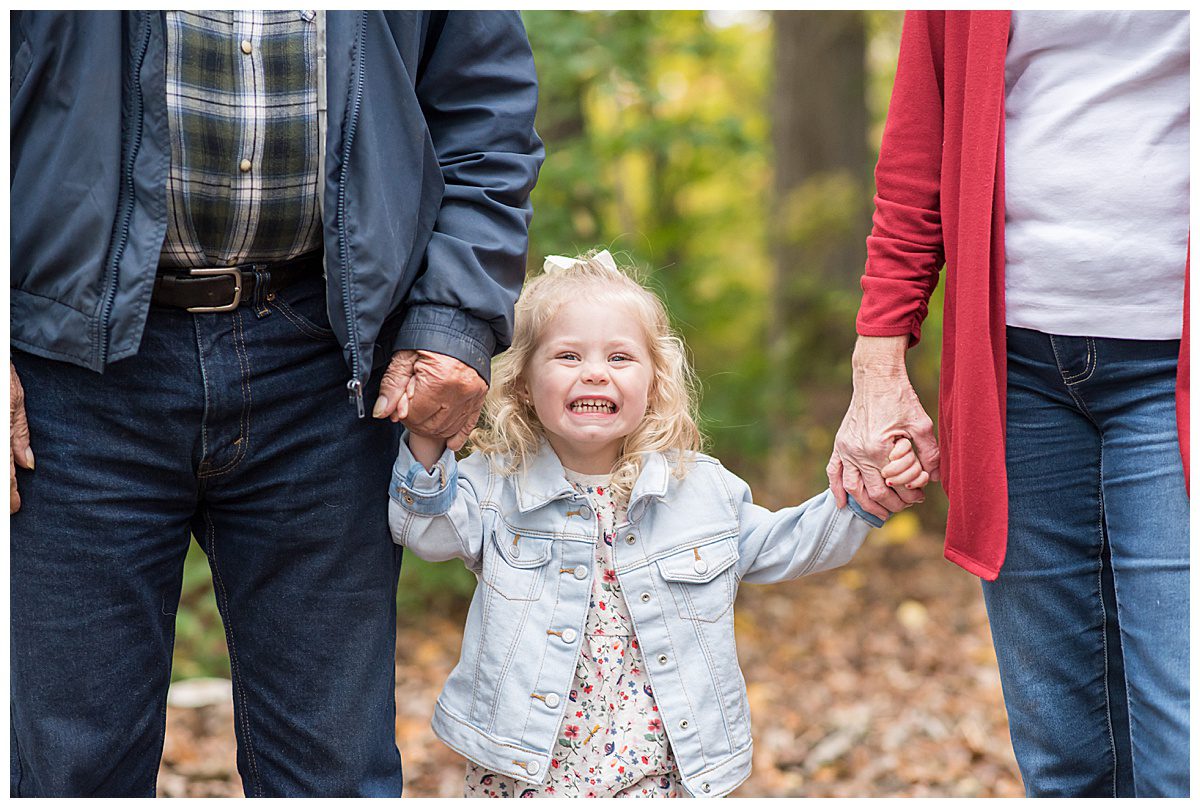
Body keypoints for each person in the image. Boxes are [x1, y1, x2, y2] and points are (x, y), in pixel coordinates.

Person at [10, 11, 542, 797]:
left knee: (330, 772)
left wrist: (452, 318)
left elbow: (485, 118)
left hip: (329, 359)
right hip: (65, 360)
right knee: (66, 771)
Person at [386, 250, 923, 797]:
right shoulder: (496, 485)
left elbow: (790, 543)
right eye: (568, 356)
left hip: (657, 764)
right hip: (526, 768)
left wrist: (864, 495)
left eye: (620, 358)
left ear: (655, 382)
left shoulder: (699, 491)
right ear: (523, 381)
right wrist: (426, 440)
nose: (595, 371)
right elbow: (424, 531)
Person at [827, 10, 1188, 797]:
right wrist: (879, 361)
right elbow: (919, 151)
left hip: (1175, 372)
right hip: (1013, 373)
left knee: (1183, 753)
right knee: (1064, 757)